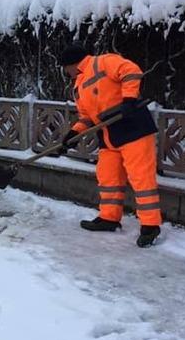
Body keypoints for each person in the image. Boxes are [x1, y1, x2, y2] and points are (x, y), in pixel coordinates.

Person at [58, 43, 162, 248]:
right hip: (109, 135)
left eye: (65, 67)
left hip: (133, 128)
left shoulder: (103, 62)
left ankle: (150, 225)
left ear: (71, 63)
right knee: (108, 177)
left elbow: (131, 71)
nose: (65, 72)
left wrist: (129, 99)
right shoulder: (78, 86)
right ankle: (109, 218)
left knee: (141, 178)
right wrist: (73, 134)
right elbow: (86, 117)